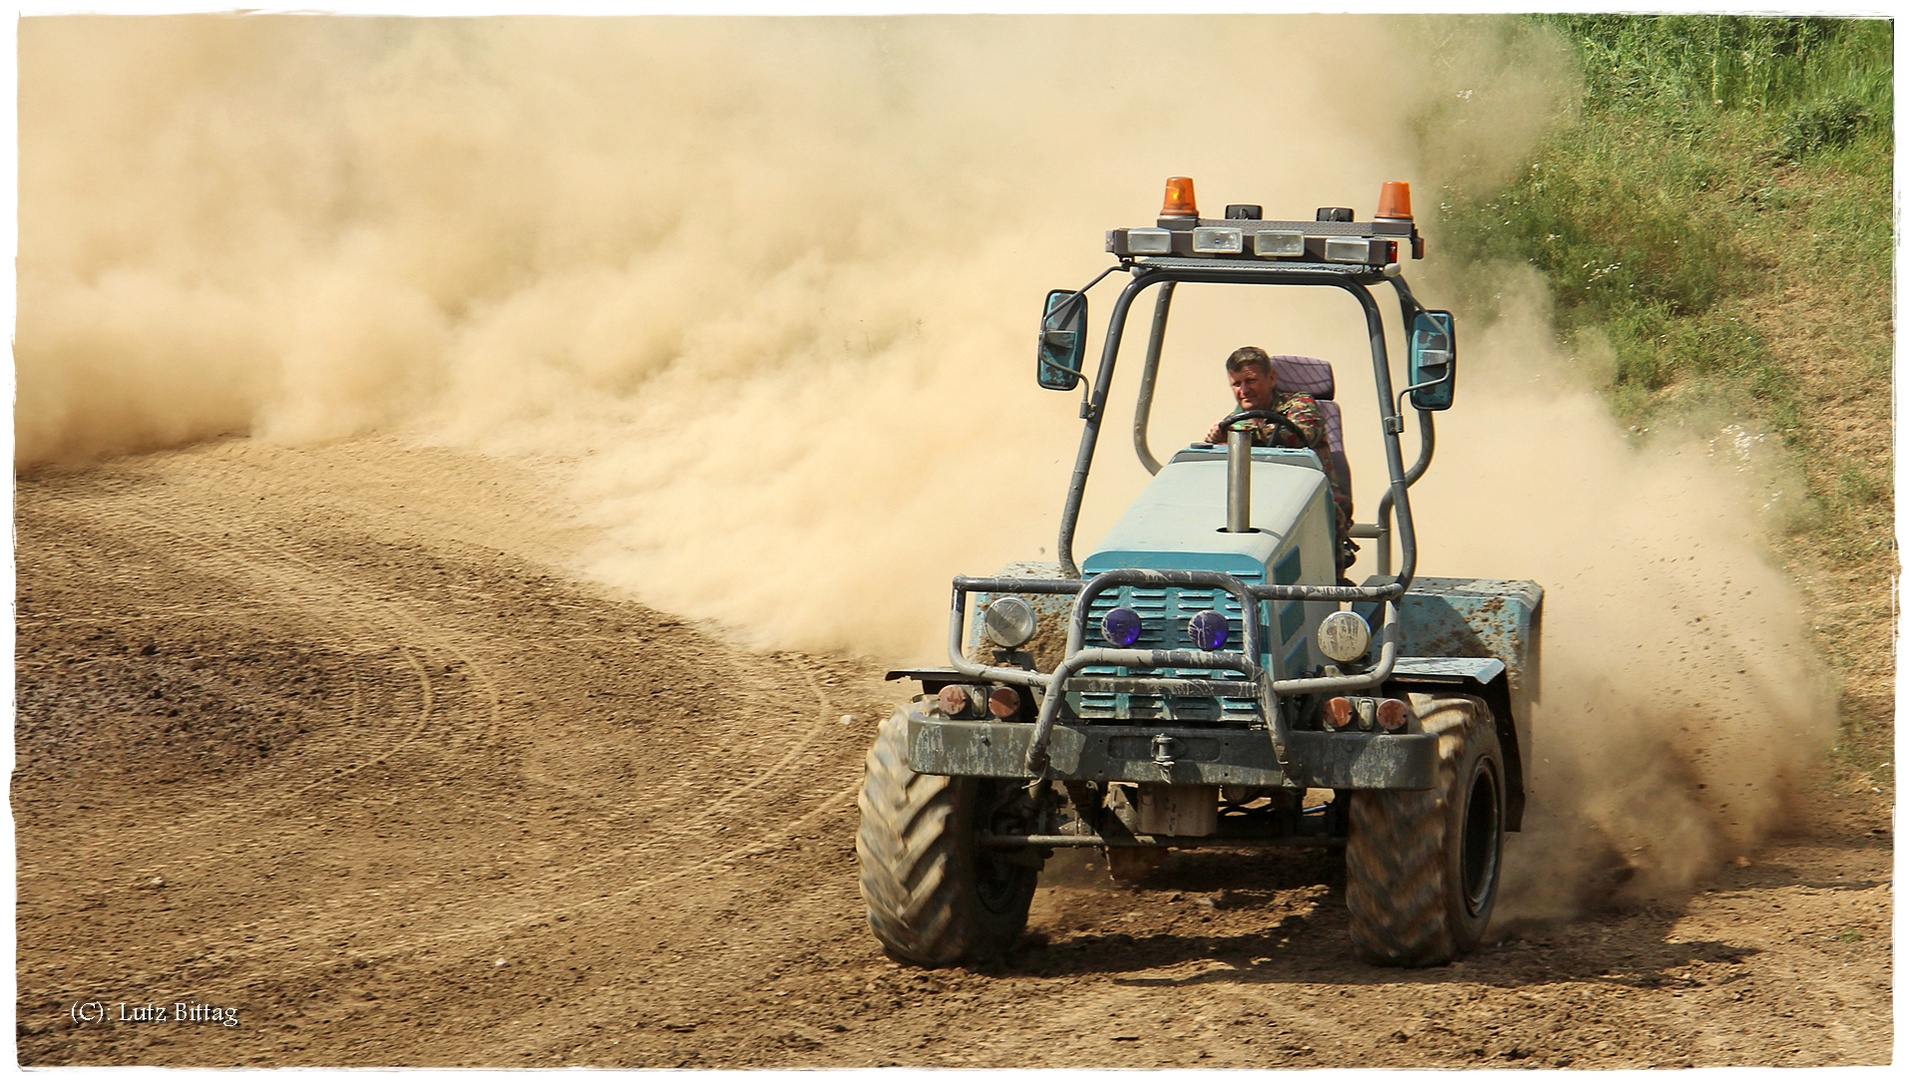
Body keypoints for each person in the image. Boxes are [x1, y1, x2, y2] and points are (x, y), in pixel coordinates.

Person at [1204, 346, 1356, 574]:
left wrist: (1243, 437)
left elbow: (1303, 434)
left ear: (1271, 378)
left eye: (1251, 380)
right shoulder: (1230, 424)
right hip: (1256, 505)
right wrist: (1214, 442)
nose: (1244, 390)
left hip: (1311, 501)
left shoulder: (1300, 404)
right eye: (1237, 384)